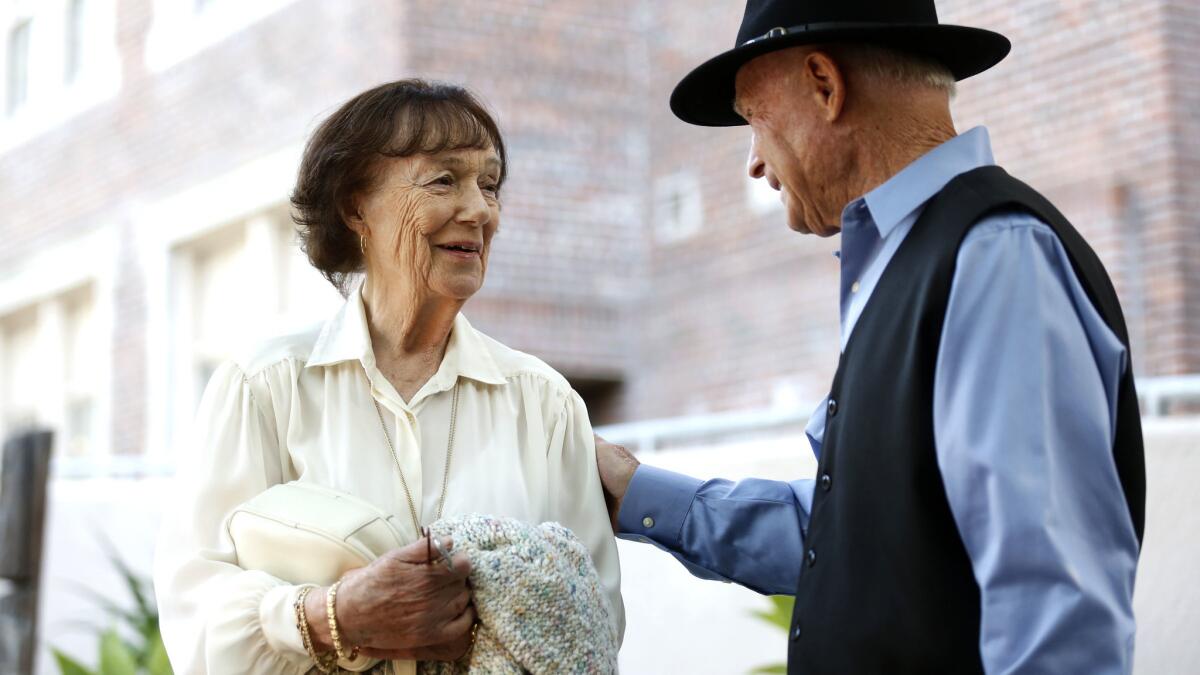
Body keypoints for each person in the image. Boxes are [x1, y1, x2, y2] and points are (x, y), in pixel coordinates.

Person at [595, 0, 1145, 673]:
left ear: (824, 85)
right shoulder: (919, 262)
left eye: (753, 121)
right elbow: (856, 537)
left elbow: (1057, 617)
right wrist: (637, 491)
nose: (754, 163)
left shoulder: (996, 257)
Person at [154, 79, 623, 674]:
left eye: (489, 184)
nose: (479, 209)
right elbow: (194, 613)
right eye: (444, 180)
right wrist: (334, 616)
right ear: (356, 207)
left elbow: (594, 627)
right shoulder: (264, 387)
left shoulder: (546, 403)